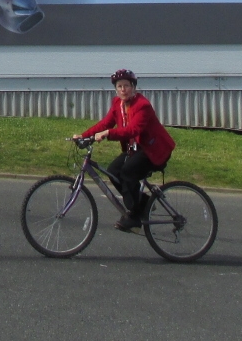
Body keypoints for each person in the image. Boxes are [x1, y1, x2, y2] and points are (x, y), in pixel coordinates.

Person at [73, 69, 175, 232]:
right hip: (136, 149)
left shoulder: (143, 105)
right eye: (119, 86)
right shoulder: (117, 104)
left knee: (127, 172)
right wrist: (84, 136)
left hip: (154, 150)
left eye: (126, 86)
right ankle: (144, 203)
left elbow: (133, 130)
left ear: (133, 87)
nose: (123, 89)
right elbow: (105, 123)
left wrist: (108, 133)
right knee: (114, 171)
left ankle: (135, 216)